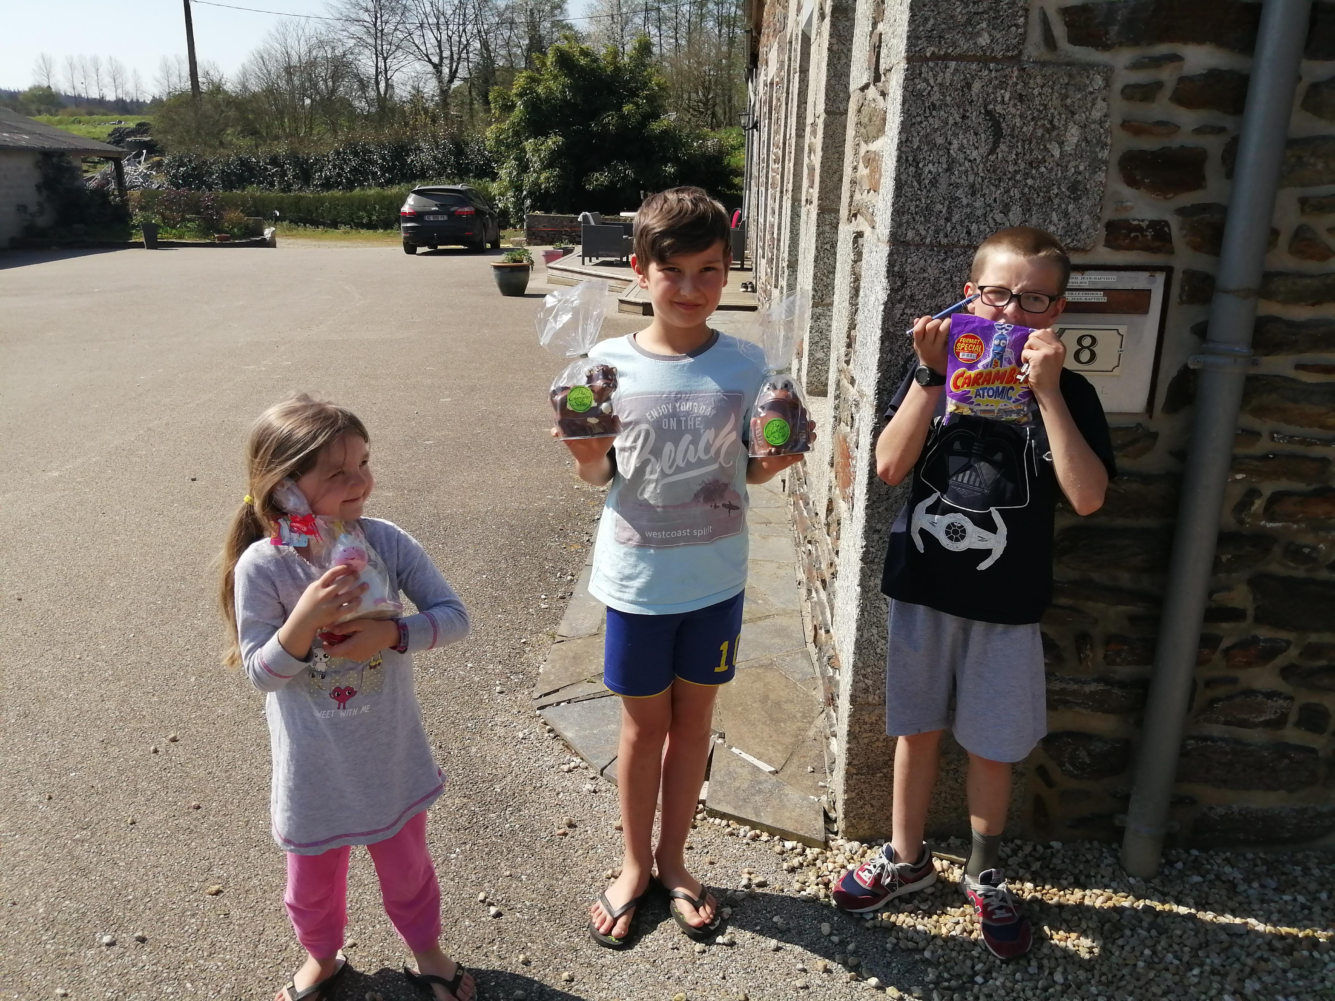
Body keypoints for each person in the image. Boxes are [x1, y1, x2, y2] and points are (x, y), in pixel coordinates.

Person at [832, 228, 1116, 960]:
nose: (1007, 313)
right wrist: (929, 378)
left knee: (993, 741)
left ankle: (985, 870)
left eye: (1031, 300)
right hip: (923, 583)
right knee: (915, 726)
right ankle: (905, 854)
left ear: (1056, 309)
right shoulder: (932, 370)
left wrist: (1047, 392)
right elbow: (889, 467)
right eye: (994, 293)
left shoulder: (1072, 392)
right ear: (968, 290)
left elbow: (1086, 497)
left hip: (1007, 600)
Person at [558, 187, 812, 948]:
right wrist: (584, 455)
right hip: (637, 582)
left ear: (728, 271)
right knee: (642, 726)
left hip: (716, 581)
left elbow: (751, 475)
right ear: (638, 272)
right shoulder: (600, 364)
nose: (694, 288)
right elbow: (598, 478)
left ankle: (674, 858)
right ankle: (633, 862)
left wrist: (779, 459)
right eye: (674, 271)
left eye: (710, 270)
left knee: (693, 721)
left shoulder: (748, 364)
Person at [220, 395, 474, 1001]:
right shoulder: (264, 567)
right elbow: (261, 671)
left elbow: (455, 617)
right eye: (337, 473)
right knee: (310, 885)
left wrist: (392, 633)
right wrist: (302, 621)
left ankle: (427, 953)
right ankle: (322, 957)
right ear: (284, 489)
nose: (360, 480)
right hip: (314, 772)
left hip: (390, 757)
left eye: (363, 461)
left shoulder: (385, 542)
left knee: (409, 873)